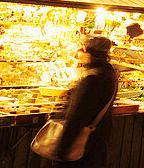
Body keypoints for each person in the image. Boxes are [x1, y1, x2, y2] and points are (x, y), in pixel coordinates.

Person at [42, 36, 118, 168]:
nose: (77, 54)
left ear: (89, 54)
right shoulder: (109, 73)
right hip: (97, 145)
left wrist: (61, 150)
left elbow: (75, 117)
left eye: (81, 50)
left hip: (80, 149)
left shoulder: (91, 80)